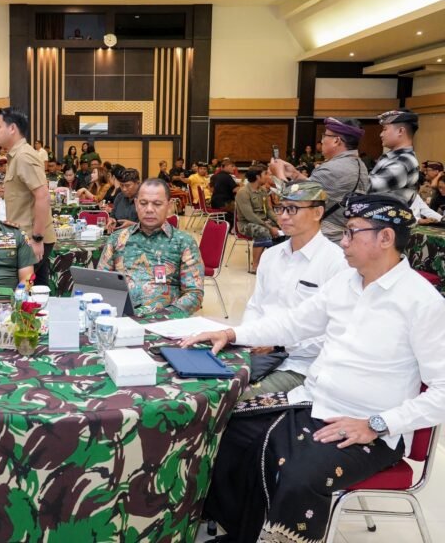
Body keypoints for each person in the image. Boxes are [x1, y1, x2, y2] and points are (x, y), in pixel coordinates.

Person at [179, 194, 445, 543]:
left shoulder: (422, 303)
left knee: (297, 476)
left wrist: (378, 424)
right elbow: (293, 324)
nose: (343, 242)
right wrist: (231, 333)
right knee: (225, 428)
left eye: (351, 232)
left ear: (385, 238)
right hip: (310, 402)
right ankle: (241, 529)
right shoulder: (345, 283)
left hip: (368, 426)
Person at [240, 181, 348, 399]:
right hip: (256, 353)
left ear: (317, 213)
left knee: (236, 399)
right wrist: (249, 336)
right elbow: (256, 305)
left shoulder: (336, 263)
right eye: (280, 208)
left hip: (299, 364)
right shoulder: (271, 255)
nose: (283, 216)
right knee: (208, 384)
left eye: (292, 209)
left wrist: (279, 344)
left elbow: (335, 332)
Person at [97, 179, 203, 316]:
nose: (149, 209)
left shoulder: (183, 242)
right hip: (121, 317)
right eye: (143, 203)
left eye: (157, 204)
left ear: (169, 206)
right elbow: (100, 282)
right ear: (136, 204)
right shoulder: (117, 238)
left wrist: (163, 316)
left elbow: (194, 294)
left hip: (164, 320)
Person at [271, 117, 370, 244]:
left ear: (336, 140)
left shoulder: (332, 168)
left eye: (325, 136)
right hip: (342, 237)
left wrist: (278, 173)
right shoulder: (359, 165)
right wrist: (295, 175)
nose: (322, 141)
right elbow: (319, 189)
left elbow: (293, 200)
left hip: (323, 239)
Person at [0, 107, 56, 287]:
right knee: (37, 290)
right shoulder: (15, 156)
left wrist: (37, 239)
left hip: (30, 238)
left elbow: (42, 196)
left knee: (20, 289)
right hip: (25, 236)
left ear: (12, 128)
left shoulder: (24, 156)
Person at [369, 109, 420, 205]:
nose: (381, 134)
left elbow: (367, 187)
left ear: (400, 131)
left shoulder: (403, 162)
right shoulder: (395, 157)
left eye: (385, 129)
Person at [235, 164, 280, 273]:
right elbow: (250, 216)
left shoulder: (262, 191)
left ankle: (274, 263)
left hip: (263, 222)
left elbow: (268, 210)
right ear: (257, 176)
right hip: (246, 224)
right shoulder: (243, 192)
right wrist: (269, 227)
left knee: (286, 230)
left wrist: (279, 221)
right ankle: (255, 266)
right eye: (265, 174)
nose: (268, 176)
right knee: (263, 231)